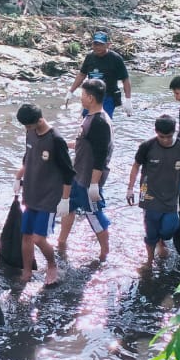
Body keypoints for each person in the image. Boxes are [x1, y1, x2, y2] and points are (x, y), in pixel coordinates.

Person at [126, 115, 180, 264]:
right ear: (155, 132)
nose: (166, 140)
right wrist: (130, 188)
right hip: (149, 195)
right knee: (151, 231)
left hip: (170, 196)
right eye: (161, 137)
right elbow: (136, 166)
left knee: (170, 228)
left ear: (174, 132)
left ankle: (162, 240)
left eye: (169, 136)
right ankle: (149, 260)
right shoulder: (147, 146)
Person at [14, 104, 74, 286]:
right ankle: (27, 270)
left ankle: (52, 265)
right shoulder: (30, 133)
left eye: (29, 126)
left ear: (40, 120)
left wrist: (65, 199)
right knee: (25, 235)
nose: (27, 129)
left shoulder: (56, 140)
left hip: (48, 198)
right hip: (31, 193)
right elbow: (27, 157)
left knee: (38, 238)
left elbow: (68, 173)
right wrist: (19, 177)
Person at [57, 79, 113, 261]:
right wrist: (63, 144)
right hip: (77, 174)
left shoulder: (99, 122)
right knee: (68, 208)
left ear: (90, 97)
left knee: (94, 214)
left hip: (88, 179)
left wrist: (94, 184)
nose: (80, 98)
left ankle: (105, 252)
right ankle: (61, 242)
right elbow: (83, 144)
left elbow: (101, 155)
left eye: (82, 95)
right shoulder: (89, 118)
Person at [66, 31, 132, 118]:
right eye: (95, 44)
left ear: (108, 45)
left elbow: (125, 79)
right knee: (87, 119)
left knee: (104, 120)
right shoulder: (90, 57)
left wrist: (128, 100)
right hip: (91, 96)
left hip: (108, 96)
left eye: (100, 44)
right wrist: (71, 91)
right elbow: (82, 75)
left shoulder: (116, 59)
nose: (97, 47)